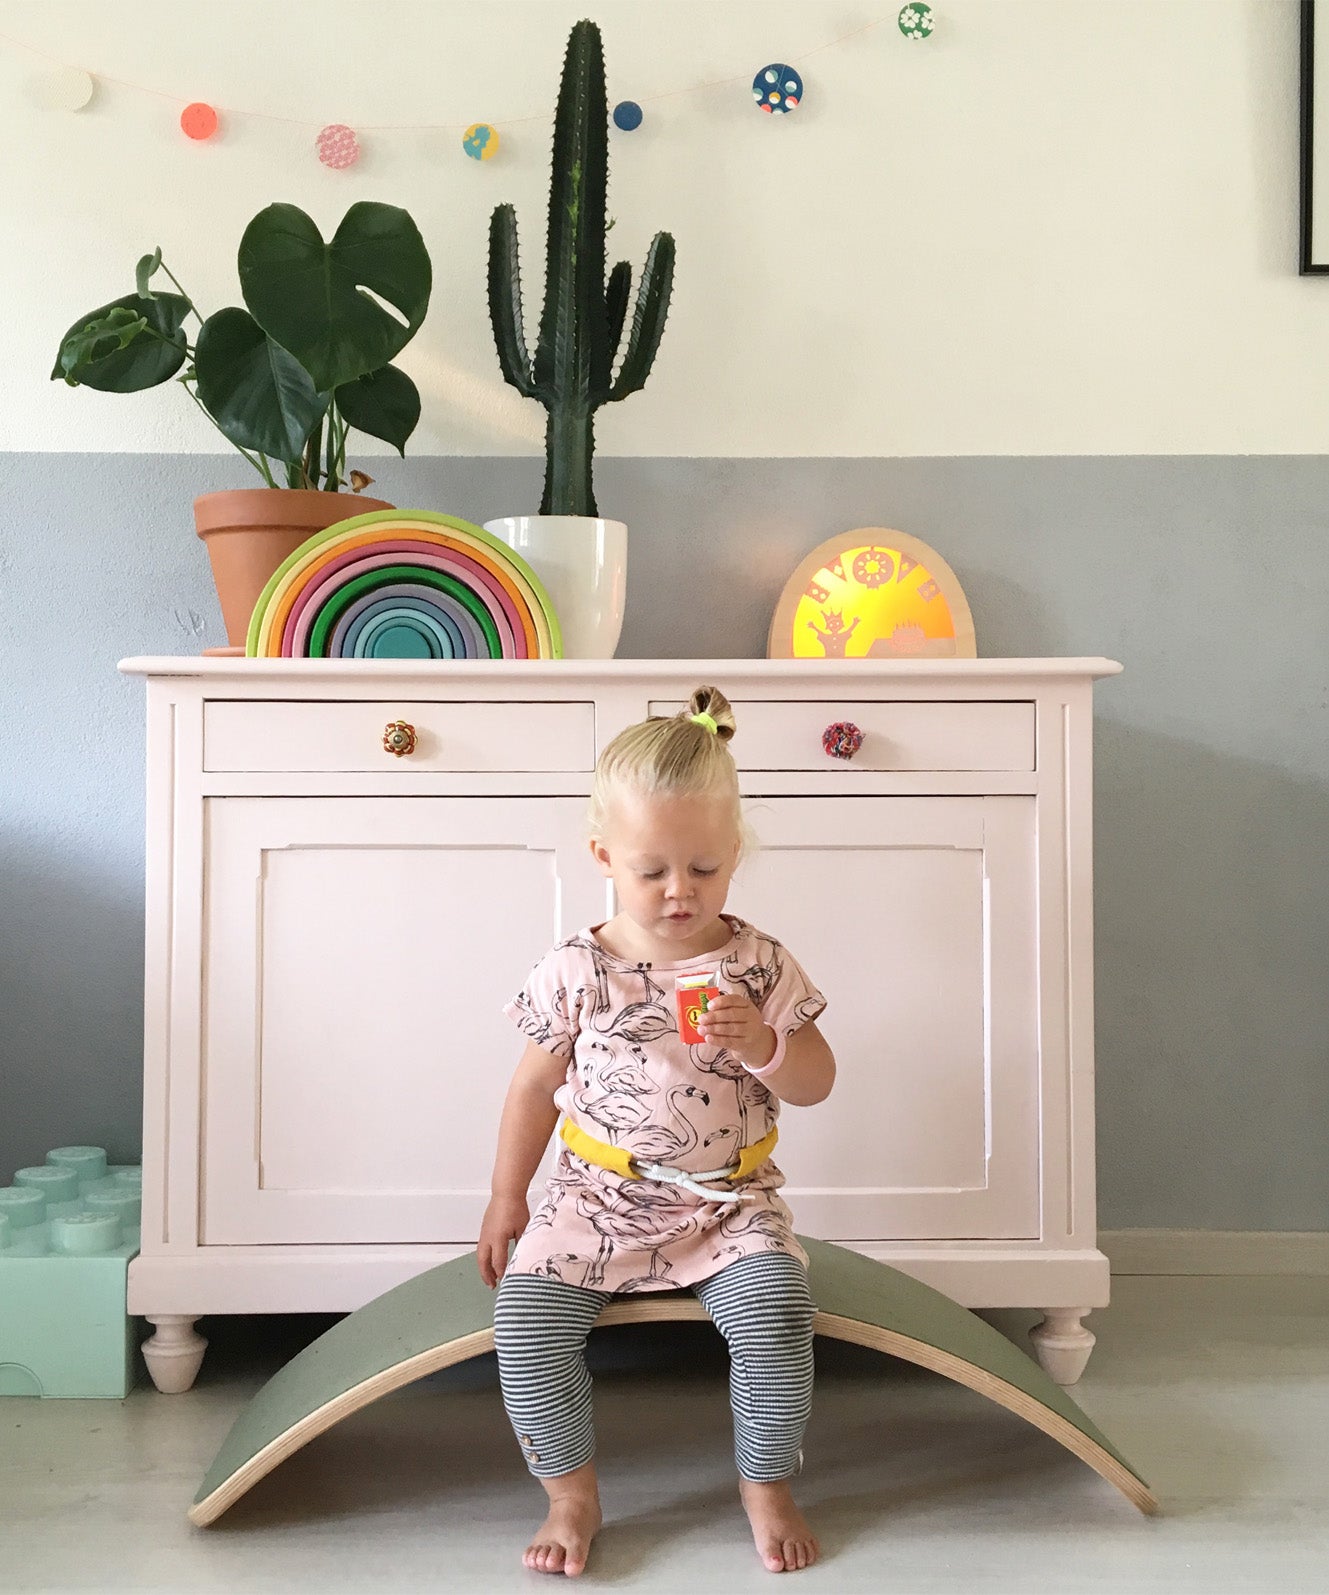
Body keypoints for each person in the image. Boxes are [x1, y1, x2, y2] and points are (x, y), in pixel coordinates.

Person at [478, 684, 837, 1578]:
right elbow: (532, 1088)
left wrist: (765, 1044)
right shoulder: (576, 968)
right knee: (523, 1324)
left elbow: (818, 1081)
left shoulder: (757, 963)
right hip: (595, 1196)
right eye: (651, 871)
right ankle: (570, 1492)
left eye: (705, 868)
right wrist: (504, 1196)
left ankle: (767, 1484)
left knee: (775, 1312)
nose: (680, 893)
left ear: (734, 854)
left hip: (728, 1201)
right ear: (603, 853)